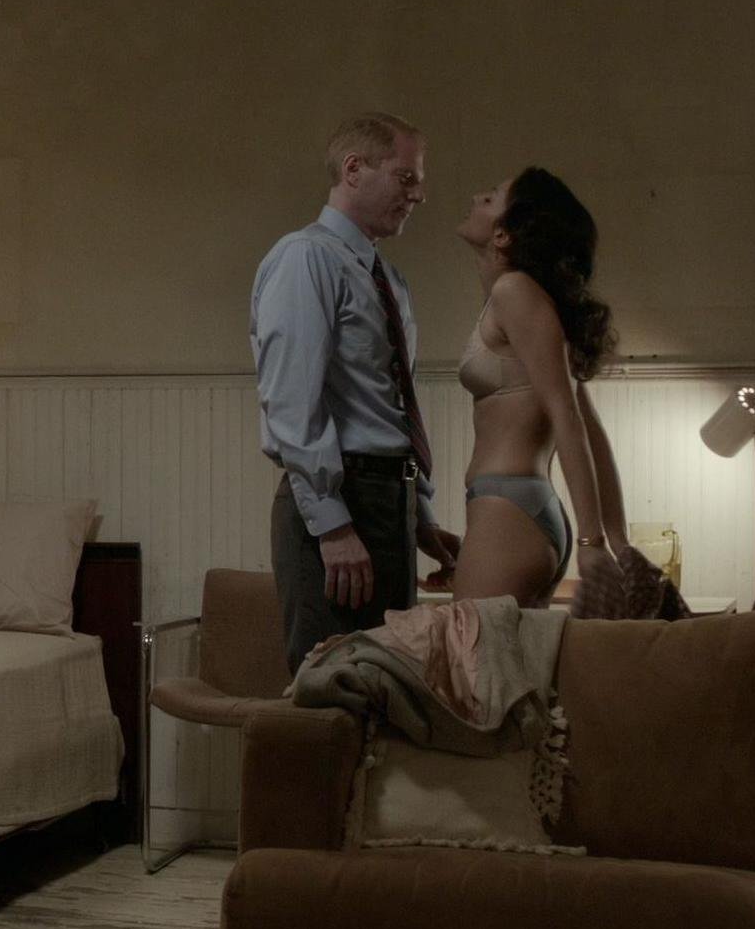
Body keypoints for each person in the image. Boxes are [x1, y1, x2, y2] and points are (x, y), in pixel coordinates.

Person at [251, 112, 462, 675]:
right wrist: (333, 525)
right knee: (334, 688)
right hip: (342, 500)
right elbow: (292, 399)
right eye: (405, 177)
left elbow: (388, 404)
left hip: (389, 500)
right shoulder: (307, 258)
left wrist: (419, 517)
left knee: (391, 684)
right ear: (353, 169)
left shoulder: (387, 278)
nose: (418, 195)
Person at [449, 167, 623, 607]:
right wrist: (614, 537)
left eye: (492, 197)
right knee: (500, 652)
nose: (476, 196)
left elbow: (567, 416)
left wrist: (594, 541)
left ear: (504, 234)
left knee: (466, 648)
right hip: (515, 510)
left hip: (508, 511)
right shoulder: (514, 298)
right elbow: (587, 420)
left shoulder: (515, 292)